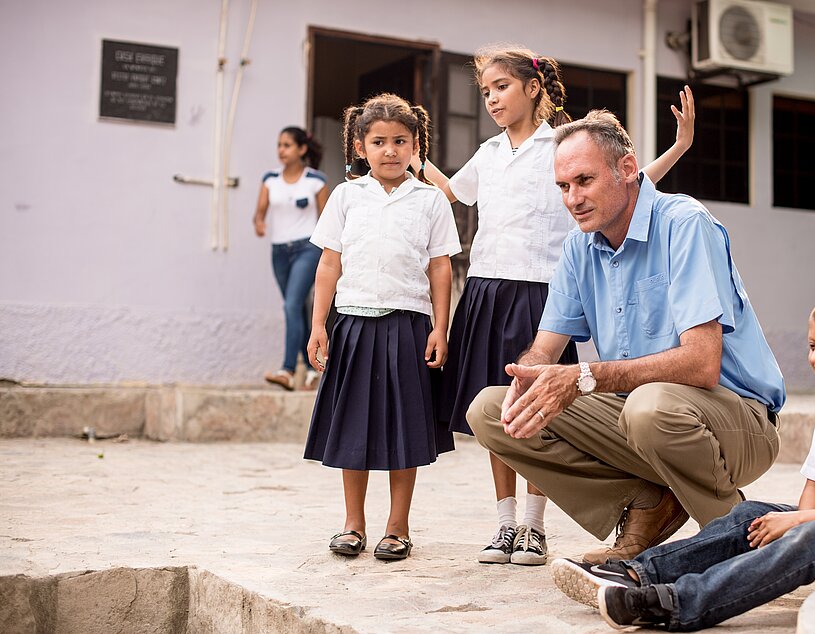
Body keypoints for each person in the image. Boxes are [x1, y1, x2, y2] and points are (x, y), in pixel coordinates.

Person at [466, 110, 785, 566]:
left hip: (736, 421)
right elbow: (545, 346)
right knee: (494, 411)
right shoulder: (579, 247)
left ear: (628, 169)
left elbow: (701, 363)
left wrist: (582, 377)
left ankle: (736, 540)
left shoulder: (684, 223)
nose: (572, 198)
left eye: (584, 180)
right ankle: (649, 504)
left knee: (648, 407)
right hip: (643, 417)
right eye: (563, 186)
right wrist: (531, 373)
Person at [419, 44, 696, 566]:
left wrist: (679, 146)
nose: (493, 100)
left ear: (533, 86)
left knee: (540, 408)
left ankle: (534, 527)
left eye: (502, 87)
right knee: (494, 410)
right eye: (486, 92)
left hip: (542, 294)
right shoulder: (489, 152)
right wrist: (415, 158)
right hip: (485, 289)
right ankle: (505, 526)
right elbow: (453, 193)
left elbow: (631, 180)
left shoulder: (562, 146)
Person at [549, 291, 815, 631]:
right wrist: (797, 519)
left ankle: (677, 604)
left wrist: (802, 525)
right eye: (812, 345)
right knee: (751, 514)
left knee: (813, 539)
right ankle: (638, 573)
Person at [303, 93, 461, 562]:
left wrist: (440, 327)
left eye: (400, 141)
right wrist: (318, 325)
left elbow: (440, 268)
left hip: (409, 327)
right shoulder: (347, 197)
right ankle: (353, 524)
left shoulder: (431, 200)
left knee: (403, 428)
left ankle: (398, 526)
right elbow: (329, 264)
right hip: (352, 325)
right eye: (379, 142)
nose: (390, 150)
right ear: (359, 147)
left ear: (416, 146)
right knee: (352, 426)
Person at [253, 126, 330, 391]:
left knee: (291, 305)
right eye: (279, 145)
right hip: (279, 252)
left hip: (307, 249)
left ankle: (286, 369)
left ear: (302, 149)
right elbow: (260, 212)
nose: (281, 150)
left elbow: (327, 220)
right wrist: (260, 224)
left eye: (287, 145)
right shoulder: (270, 179)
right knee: (294, 307)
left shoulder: (316, 181)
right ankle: (310, 369)